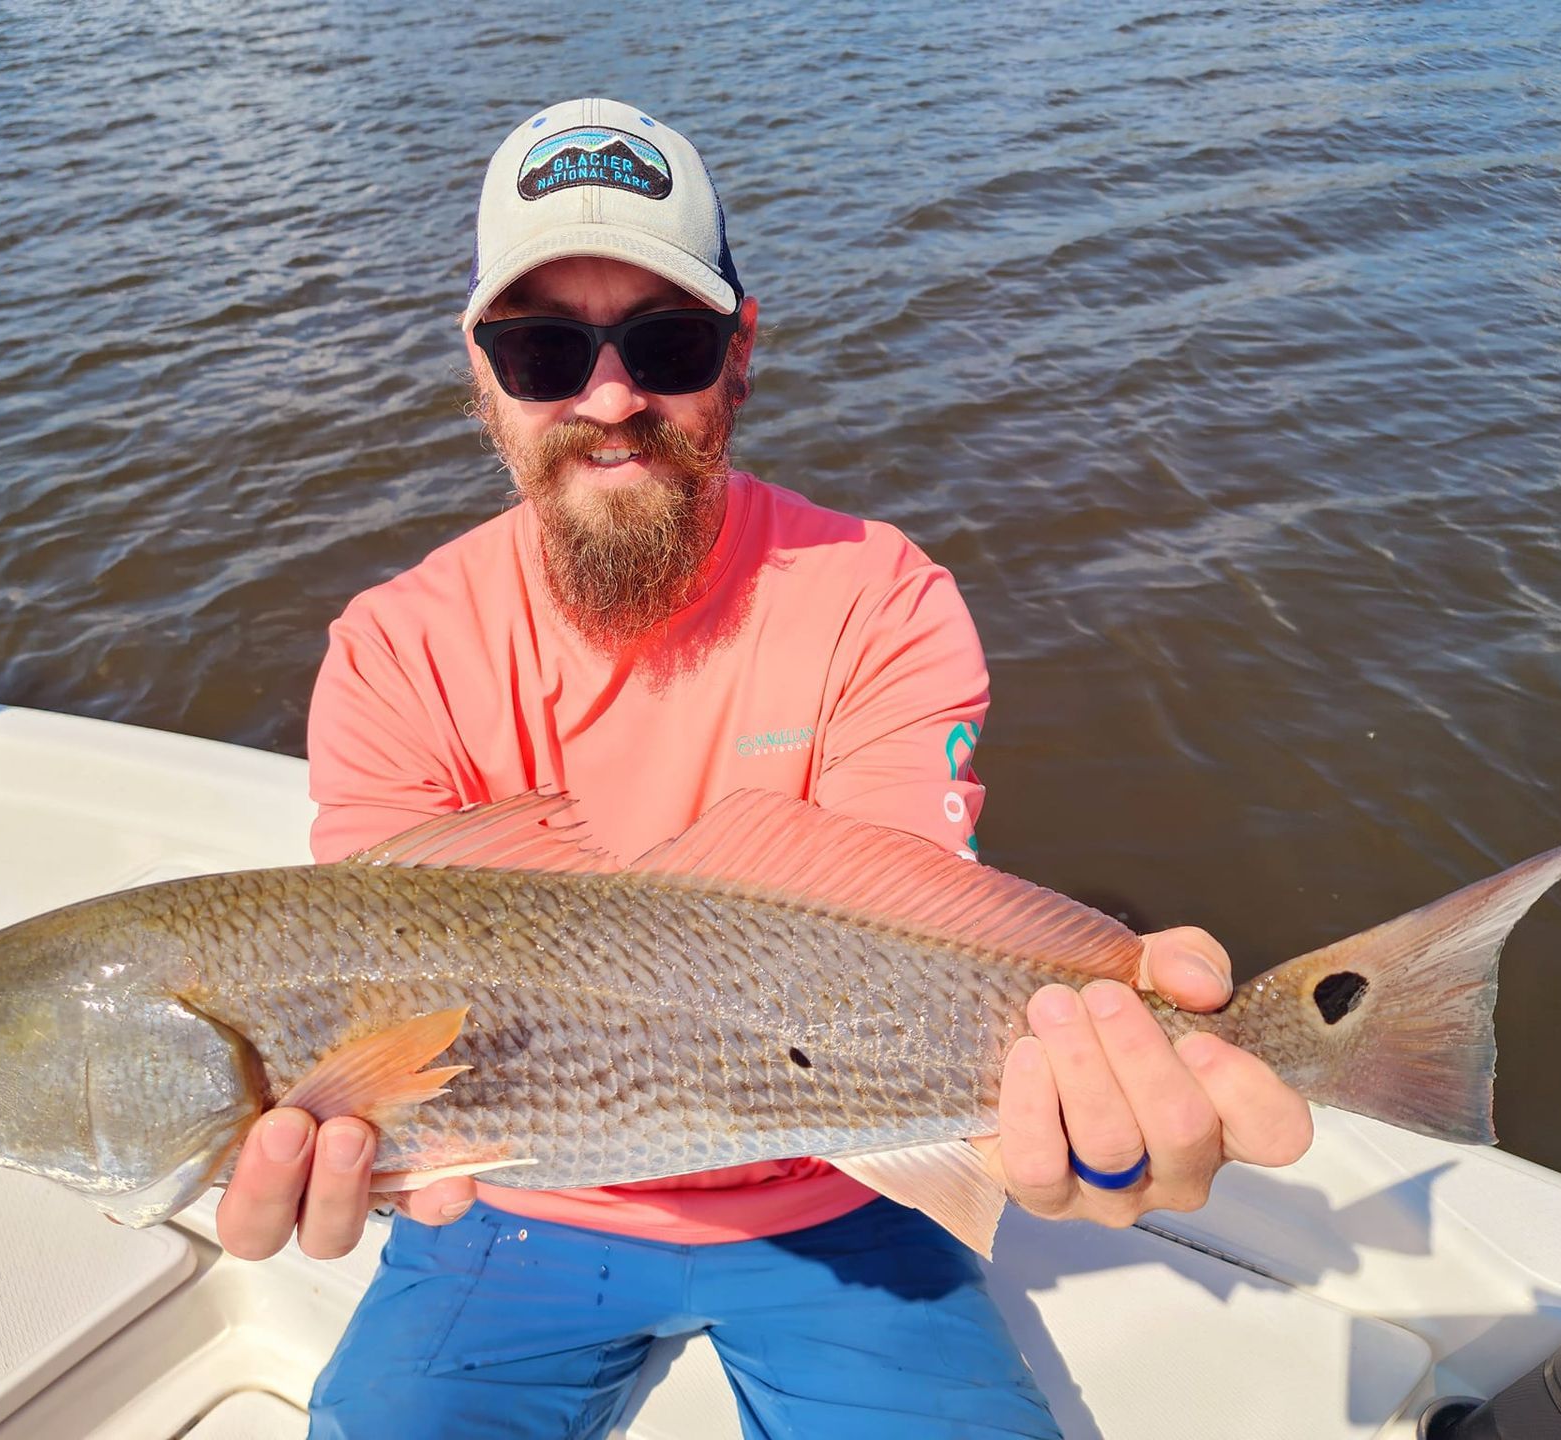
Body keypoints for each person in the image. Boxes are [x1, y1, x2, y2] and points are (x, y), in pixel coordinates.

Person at [217, 98, 1314, 1439]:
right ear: (481, 372)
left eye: (667, 343)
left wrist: (1102, 1051)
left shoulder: (880, 602)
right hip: (507, 1204)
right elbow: (383, 1026)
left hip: (842, 1190)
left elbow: (913, 928)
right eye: (544, 349)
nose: (610, 400)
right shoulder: (395, 652)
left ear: (743, 352)